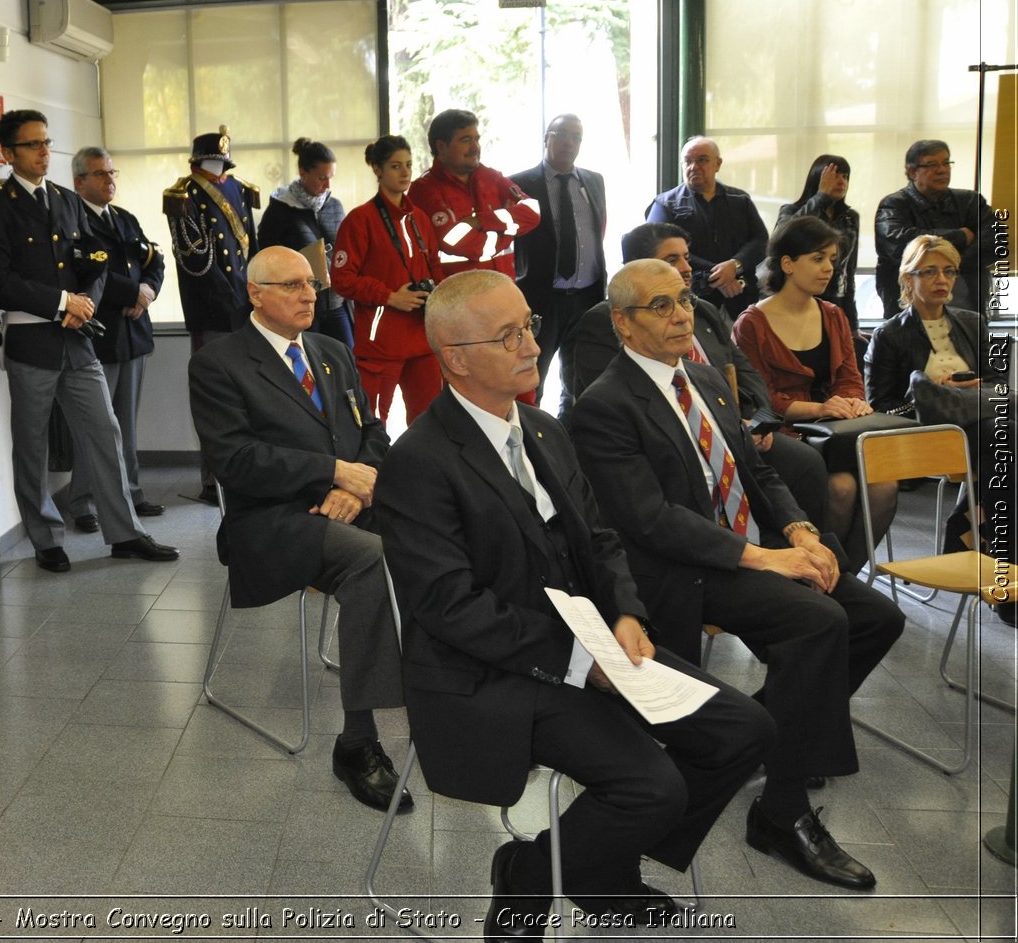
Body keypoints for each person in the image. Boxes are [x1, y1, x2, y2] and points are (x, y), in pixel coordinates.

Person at [376, 270, 775, 938]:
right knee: (653, 785)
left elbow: (600, 539)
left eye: (529, 323)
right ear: (457, 357)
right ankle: (532, 876)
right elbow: (451, 608)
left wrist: (624, 611)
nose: (532, 343)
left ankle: (585, 861)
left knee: (745, 729)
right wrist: (576, 657)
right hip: (492, 673)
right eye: (509, 335)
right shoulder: (419, 460)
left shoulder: (543, 429)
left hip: (591, 641)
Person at [567, 258, 905, 891]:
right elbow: (651, 521)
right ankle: (783, 810)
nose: (681, 316)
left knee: (878, 619)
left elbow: (759, 473)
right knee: (818, 622)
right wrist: (766, 558)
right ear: (623, 323)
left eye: (685, 302)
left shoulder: (702, 377)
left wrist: (800, 531)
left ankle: (767, 735)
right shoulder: (604, 406)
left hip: (753, 540)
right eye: (660, 306)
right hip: (685, 567)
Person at [189, 246, 409, 813]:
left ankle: (445, 697)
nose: (310, 294)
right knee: (373, 561)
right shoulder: (219, 362)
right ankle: (358, 743)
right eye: (291, 285)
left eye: (312, 283)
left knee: (437, 536)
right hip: (270, 520)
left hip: (346, 503)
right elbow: (235, 461)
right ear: (255, 293)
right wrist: (331, 472)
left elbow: (373, 434)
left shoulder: (331, 350)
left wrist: (350, 485)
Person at [0, 109, 179, 573]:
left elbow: (96, 260)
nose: (44, 152)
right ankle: (46, 539)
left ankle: (124, 532)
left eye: (47, 143)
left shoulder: (66, 201)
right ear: (8, 153)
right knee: (32, 443)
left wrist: (83, 301)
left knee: (106, 432)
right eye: (32, 145)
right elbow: (1, 281)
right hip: (32, 340)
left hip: (78, 338)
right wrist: (62, 302)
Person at [568, 223, 829, 534]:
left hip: (734, 425)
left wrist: (756, 423)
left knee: (808, 465)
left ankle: (815, 553)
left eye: (686, 257)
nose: (686, 268)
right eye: (671, 260)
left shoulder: (702, 310)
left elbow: (750, 377)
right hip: (676, 438)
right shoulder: (600, 324)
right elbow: (622, 401)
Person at [733, 217, 898, 569]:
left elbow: (850, 378)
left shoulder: (834, 315)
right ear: (788, 264)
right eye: (818, 258)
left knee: (884, 486)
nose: (828, 269)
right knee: (842, 488)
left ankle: (846, 575)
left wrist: (852, 400)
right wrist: (821, 408)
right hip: (786, 433)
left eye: (832, 260)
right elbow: (760, 400)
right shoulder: (751, 324)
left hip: (837, 432)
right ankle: (826, 573)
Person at [867, 235, 1010, 563]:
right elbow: (880, 408)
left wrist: (967, 392)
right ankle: (993, 554)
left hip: (982, 425)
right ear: (908, 278)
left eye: (949, 271)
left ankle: (976, 535)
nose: (942, 280)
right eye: (930, 272)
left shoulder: (974, 323)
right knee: (1005, 431)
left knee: (1004, 432)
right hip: (929, 435)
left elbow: (997, 382)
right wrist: (924, 393)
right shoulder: (889, 335)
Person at [62, 147, 167, 532]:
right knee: (97, 426)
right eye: (101, 174)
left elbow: (155, 261)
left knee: (126, 422)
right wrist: (132, 294)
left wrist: (148, 292)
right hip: (99, 336)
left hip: (134, 335)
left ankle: (131, 492)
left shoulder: (124, 218)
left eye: (112, 172)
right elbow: (85, 273)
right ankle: (83, 501)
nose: (110, 180)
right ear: (80, 182)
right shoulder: (73, 221)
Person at [166, 127, 259, 504]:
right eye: (213, 160)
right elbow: (194, 259)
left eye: (222, 161)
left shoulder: (239, 189)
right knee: (214, 395)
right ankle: (213, 480)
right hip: (213, 310)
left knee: (247, 395)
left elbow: (253, 246)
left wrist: (255, 293)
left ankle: (245, 471)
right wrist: (233, 298)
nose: (218, 167)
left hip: (246, 305)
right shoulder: (182, 194)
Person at [330, 135, 446, 427]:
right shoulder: (360, 220)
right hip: (381, 343)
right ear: (377, 169)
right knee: (371, 423)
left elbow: (435, 268)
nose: (405, 172)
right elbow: (342, 279)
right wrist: (390, 296)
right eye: (395, 166)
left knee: (429, 421)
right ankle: (372, 473)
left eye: (408, 164)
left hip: (423, 338)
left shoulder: (420, 218)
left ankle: (424, 473)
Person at [508, 113, 608, 412]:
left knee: (583, 380)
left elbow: (596, 230)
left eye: (576, 137)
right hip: (541, 299)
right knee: (531, 380)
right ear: (546, 137)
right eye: (561, 134)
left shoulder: (593, 181)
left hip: (586, 297)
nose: (569, 142)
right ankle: (531, 441)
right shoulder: (519, 184)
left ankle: (573, 439)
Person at [408, 107, 540, 278]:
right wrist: (507, 229)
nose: (475, 147)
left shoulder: (491, 177)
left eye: (477, 139)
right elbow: (453, 241)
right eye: (465, 140)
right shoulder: (424, 190)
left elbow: (532, 212)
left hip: (503, 290)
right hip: (458, 297)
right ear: (441, 147)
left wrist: (478, 221)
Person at [874, 139, 1002, 315]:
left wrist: (949, 265)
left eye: (946, 163)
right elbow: (899, 246)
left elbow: (995, 243)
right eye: (932, 164)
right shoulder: (894, 205)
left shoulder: (971, 202)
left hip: (968, 302)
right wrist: (960, 237)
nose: (942, 170)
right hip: (909, 308)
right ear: (912, 172)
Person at [646, 136, 768, 319]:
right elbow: (659, 250)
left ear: (718, 164)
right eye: (687, 161)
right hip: (689, 301)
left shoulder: (739, 200)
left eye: (702, 160)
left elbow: (760, 240)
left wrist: (734, 266)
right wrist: (720, 275)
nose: (693, 166)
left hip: (740, 298)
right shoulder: (665, 205)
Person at [256, 136, 353, 347]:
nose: (327, 185)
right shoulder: (280, 210)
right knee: (307, 362)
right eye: (321, 178)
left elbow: (347, 250)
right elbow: (265, 257)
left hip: (336, 303)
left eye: (331, 178)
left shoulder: (335, 206)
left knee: (347, 359)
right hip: (300, 305)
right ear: (303, 172)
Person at [777, 154, 860, 330]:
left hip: (835, 298)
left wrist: (852, 323)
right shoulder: (792, 210)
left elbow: (849, 271)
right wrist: (821, 197)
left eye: (845, 176)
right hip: (798, 294)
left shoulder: (850, 218)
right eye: (834, 175)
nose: (841, 181)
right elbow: (782, 237)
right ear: (818, 178)